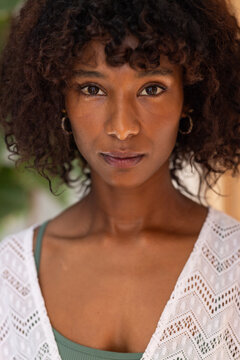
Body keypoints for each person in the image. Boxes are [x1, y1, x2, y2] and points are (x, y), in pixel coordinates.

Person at [0, 0, 239, 359]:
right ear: (58, 98)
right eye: (92, 89)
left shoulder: (233, 269)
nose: (122, 128)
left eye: (152, 88)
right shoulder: (7, 276)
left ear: (189, 97)